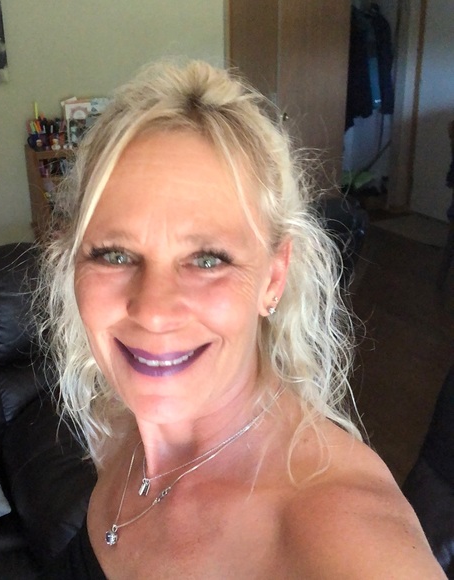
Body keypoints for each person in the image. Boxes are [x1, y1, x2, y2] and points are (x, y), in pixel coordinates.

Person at [37, 60, 445, 578]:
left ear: (273, 278)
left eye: (208, 259)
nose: (154, 312)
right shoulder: (124, 428)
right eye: (114, 254)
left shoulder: (342, 533)